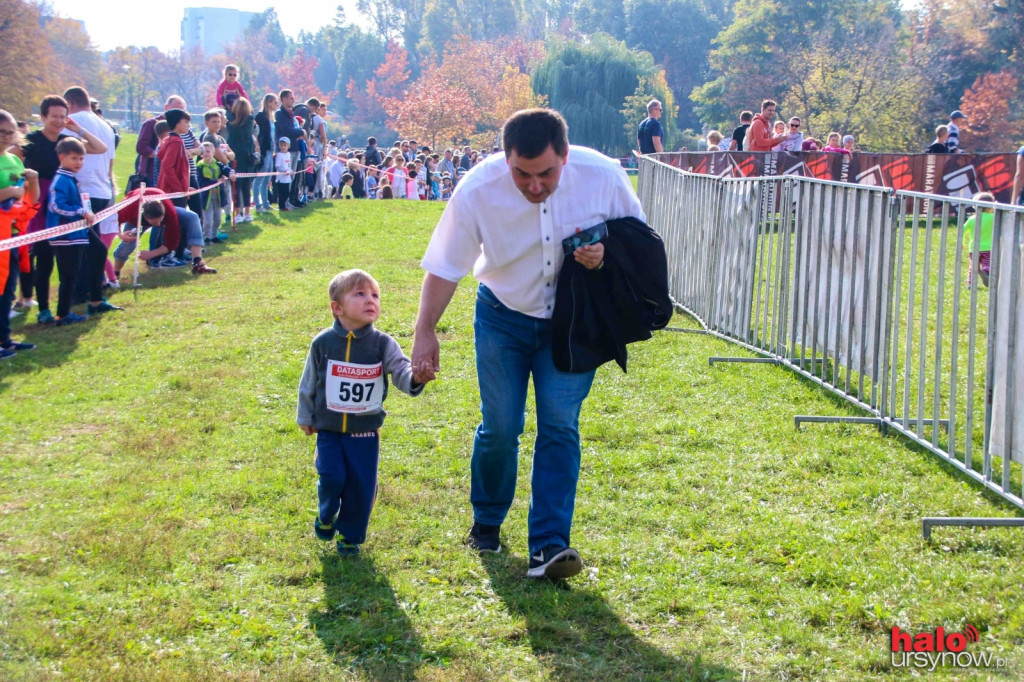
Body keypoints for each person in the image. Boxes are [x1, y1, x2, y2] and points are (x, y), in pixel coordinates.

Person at [411, 108, 645, 580]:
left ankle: (549, 546)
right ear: (505, 158)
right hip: (503, 317)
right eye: (522, 173)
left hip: (572, 322)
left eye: (546, 173)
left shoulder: (603, 175)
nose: (534, 185)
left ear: (565, 154)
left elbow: (638, 242)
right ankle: (487, 522)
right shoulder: (477, 189)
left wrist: (605, 254)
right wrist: (425, 330)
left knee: (560, 427)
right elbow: (446, 263)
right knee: (500, 426)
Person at [296, 269, 428, 555]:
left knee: (361, 486)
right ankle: (326, 514)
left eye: (375, 295)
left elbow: (401, 371)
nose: (371, 300)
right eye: (360, 294)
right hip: (329, 430)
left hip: (365, 434)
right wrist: (306, 416)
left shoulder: (383, 344)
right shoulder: (322, 343)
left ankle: (350, 536)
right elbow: (308, 382)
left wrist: (416, 378)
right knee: (331, 477)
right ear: (337, 308)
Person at [15, 95, 107, 325]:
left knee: (96, 249)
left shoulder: (67, 142)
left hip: (67, 204)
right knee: (44, 259)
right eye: (54, 116)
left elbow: (100, 147)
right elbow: (11, 160)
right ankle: (44, 309)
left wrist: (78, 129)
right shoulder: (30, 141)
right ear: (43, 116)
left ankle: (95, 300)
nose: (58, 121)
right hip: (40, 203)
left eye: (62, 116)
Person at [62, 86, 118, 310]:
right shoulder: (105, 125)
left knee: (79, 246)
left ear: (70, 103)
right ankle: (91, 288)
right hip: (102, 189)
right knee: (91, 244)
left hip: (81, 190)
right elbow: (111, 161)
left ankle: (82, 290)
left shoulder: (70, 121)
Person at [0, 109, 39, 358]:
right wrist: (10, 193)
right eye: (2, 132)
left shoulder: (14, 160)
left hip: (12, 233)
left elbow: (29, 200)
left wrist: (32, 182)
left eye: (10, 131)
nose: (6, 136)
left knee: (7, 288)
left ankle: (5, 339)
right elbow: (14, 193)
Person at [43, 138, 95, 326]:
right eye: (74, 158)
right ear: (62, 157)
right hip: (65, 236)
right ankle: (63, 314)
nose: (79, 163)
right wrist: (80, 212)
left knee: (72, 276)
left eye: (81, 158)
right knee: (67, 277)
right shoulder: (61, 179)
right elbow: (56, 206)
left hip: (76, 235)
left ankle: (65, 312)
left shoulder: (71, 178)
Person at [226, 97, 257, 223]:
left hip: (235, 155)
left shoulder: (231, 121)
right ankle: (247, 213)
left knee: (236, 186)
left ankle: (238, 212)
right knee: (246, 186)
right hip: (247, 155)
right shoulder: (250, 120)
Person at [196, 142, 233, 243]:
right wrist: (216, 181)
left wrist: (231, 173)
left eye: (208, 151)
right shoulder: (199, 167)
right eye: (204, 152)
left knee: (217, 218)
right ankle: (206, 236)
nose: (206, 154)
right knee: (208, 220)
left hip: (218, 197)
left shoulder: (217, 164)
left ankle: (214, 235)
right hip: (206, 198)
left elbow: (225, 169)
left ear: (214, 152)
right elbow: (201, 182)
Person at [157, 109, 191, 201]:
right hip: (173, 193)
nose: (189, 125)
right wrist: (179, 188)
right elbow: (167, 166)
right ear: (177, 123)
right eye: (186, 122)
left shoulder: (168, 140)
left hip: (169, 190)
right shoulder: (175, 142)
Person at [962, 191, 995, 287]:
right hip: (989, 247)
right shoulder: (994, 217)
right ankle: (985, 272)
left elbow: (962, 230)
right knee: (988, 264)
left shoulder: (972, 219)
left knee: (973, 267)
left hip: (974, 248)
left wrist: (962, 242)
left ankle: (971, 284)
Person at [253, 94, 278, 212]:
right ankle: (258, 205)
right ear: (268, 102)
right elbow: (256, 133)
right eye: (274, 102)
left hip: (270, 149)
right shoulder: (261, 116)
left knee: (267, 178)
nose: (276, 105)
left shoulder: (271, 118)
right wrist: (258, 147)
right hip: (264, 149)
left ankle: (266, 203)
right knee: (260, 177)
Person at [274, 137, 293, 212]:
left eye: (285, 145)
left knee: (287, 193)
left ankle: (285, 206)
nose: (283, 147)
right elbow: (277, 166)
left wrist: (291, 171)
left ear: (288, 146)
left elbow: (289, 165)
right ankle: (282, 207)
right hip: (281, 179)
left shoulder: (288, 154)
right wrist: (284, 171)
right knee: (282, 193)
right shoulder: (279, 155)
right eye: (281, 145)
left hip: (287, 178)